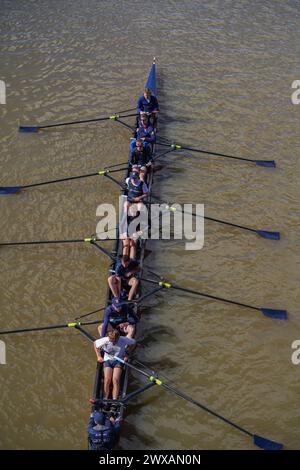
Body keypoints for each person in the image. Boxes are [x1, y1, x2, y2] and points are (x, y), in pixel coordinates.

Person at [94, 329, 136, 405]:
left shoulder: (123, 339)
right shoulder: (105, 340)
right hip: (108, 360)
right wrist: (99, 356)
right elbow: (95, 344)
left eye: (114, 341)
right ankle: (105, 399)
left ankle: (114, 401)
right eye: (111, 341)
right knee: (107, 379)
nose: (112, 343)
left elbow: (134, 343)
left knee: (115, 379)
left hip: (119, 360)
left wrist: (127, 353)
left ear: (118, 338)